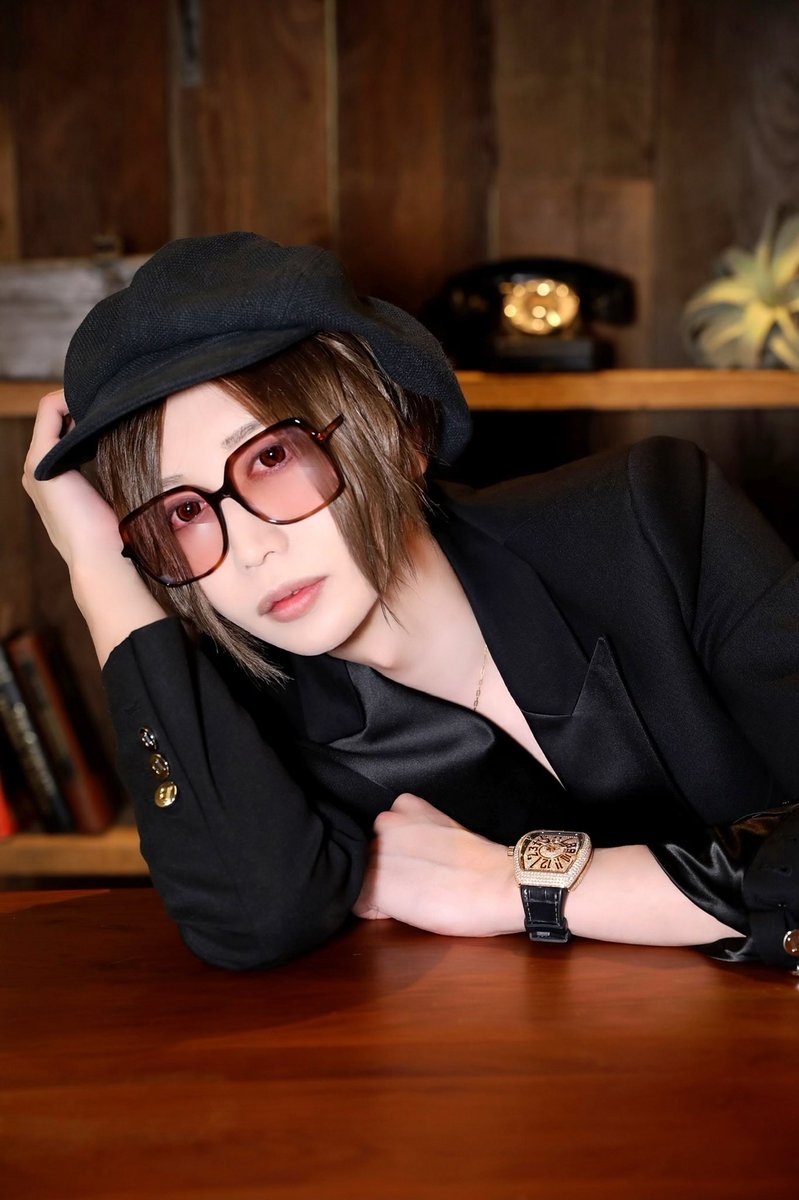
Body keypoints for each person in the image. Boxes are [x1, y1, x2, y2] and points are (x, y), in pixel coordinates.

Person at [23, 233, 799, 972]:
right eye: (183, 513)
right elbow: (254, 921)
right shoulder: (267, 725)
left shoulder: (655, 520)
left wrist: (516, 883)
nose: (250, 547)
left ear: (397, 433)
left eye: (271, 456)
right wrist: (100, 573)